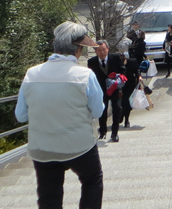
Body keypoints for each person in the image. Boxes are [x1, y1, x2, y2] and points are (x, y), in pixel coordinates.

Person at [14, 22, 104, 209]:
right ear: (78, 49)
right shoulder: (85, 75)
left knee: (49, 197)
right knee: (92, 181)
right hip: (79, 146)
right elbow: (98, 111)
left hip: (43, 147)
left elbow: (21, 115)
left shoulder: (31, 74)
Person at [87, 40, 125, 142]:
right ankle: (103, 131)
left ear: (108, 49)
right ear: (96, 51)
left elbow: (123, 69)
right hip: (100, 90)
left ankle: (115, 133)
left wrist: (119, 78)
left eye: (104, 49)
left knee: (117, 109)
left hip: (115, 89)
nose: (102, 52)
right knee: (102, 110)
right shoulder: (91, 62)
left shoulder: (115, 58)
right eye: (99, 50)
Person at [120, 52, 141, 128]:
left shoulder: (132, 61)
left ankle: (126, 119)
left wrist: (139, 77)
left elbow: (137, 70)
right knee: (124, 102)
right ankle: (123, 117)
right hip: (120, 84)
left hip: (130, 84)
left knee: (125, 101)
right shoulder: (116, 64)